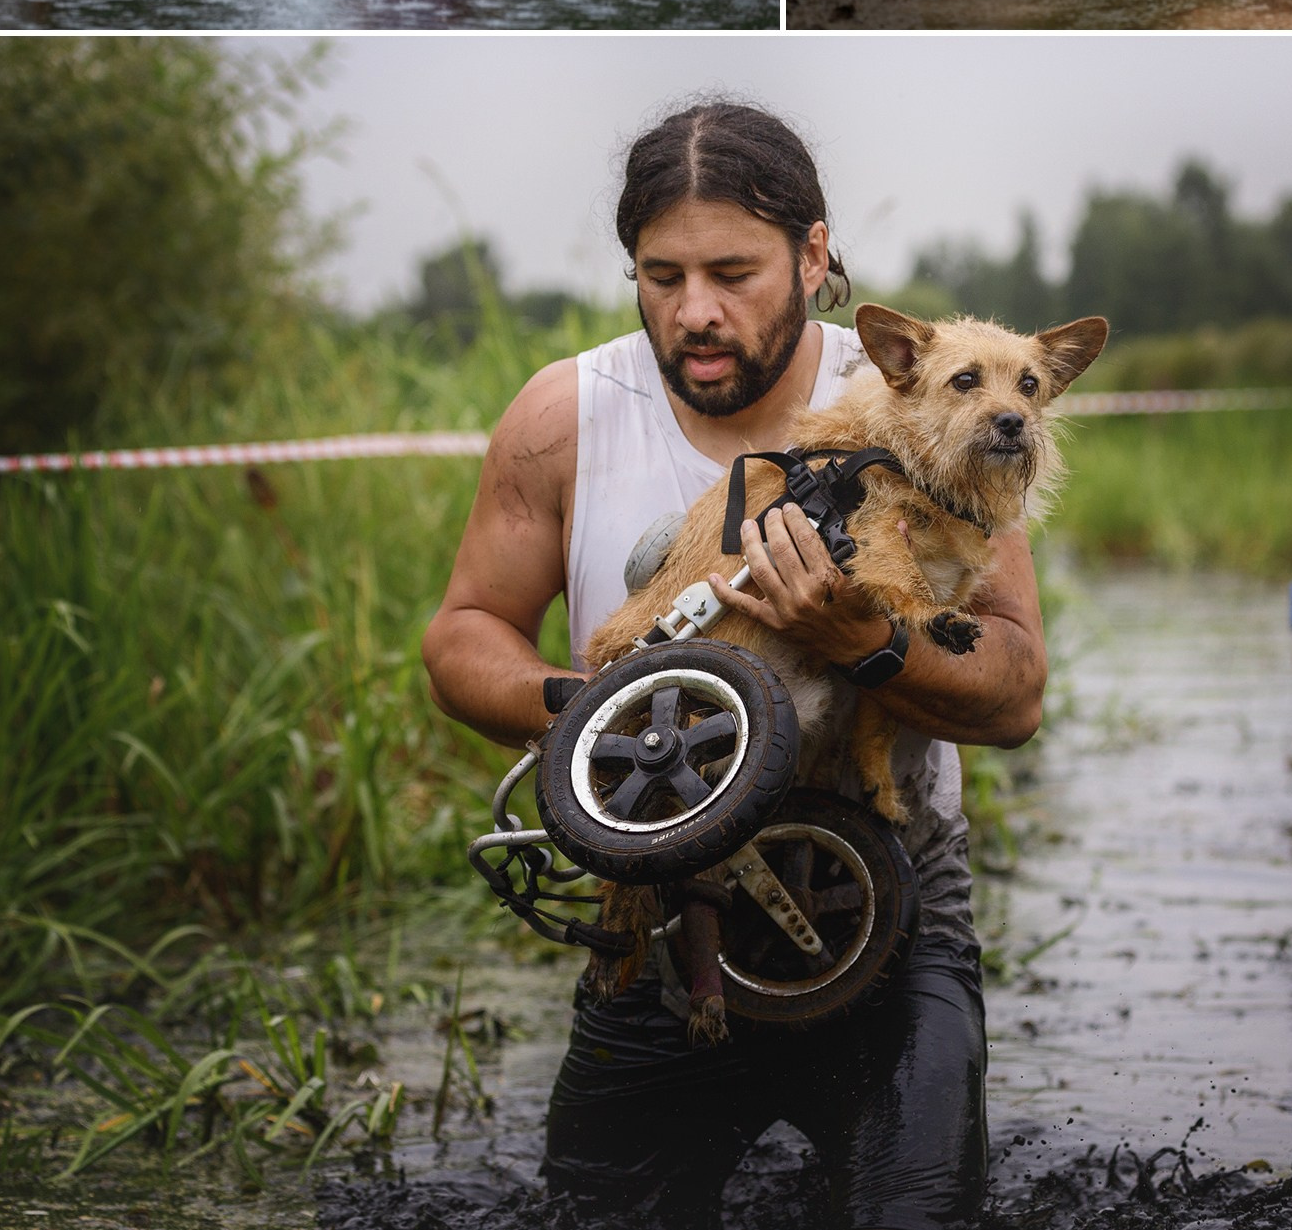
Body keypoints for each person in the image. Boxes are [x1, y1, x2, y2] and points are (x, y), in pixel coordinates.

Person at [422, 102, 1047, 1227]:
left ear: (814, 256)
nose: (694, 309)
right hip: (662, 921)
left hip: (887, 914)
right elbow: (464, 635)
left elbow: (1012, 692)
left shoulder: (940, 399)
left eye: (732, 270)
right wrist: (600, 712)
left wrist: (859, 641)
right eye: (660, 274)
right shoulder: (565, 414)